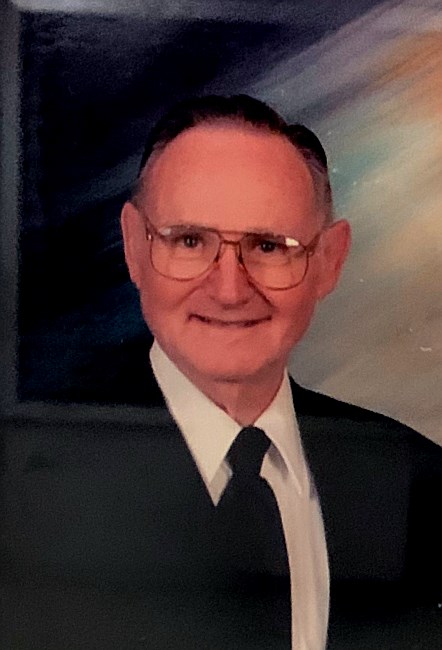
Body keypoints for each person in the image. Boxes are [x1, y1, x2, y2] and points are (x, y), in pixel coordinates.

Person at [118, 94, 442, 649]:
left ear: (329, 260)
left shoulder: (422, 488)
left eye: (269, 246)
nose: (229, 289)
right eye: (190, 241)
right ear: (133, 245)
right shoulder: (27, 478)